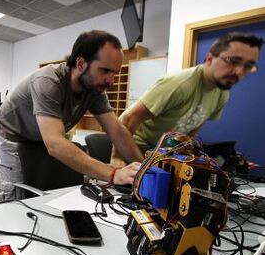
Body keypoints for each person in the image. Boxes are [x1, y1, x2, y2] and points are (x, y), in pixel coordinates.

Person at [0, 30, 143, 201]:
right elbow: (55, 144)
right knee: (16, 194)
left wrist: (146, 169)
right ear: (80, 64)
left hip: (40, 136)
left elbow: (116, 131)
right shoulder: (48, 82)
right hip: (13, 135)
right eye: (105, 71)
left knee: (46, 184)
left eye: (115, 73)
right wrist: (113, 174)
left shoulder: (94, 89)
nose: (111, 81)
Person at [112, 32, 263, 166]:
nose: (239, 71)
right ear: (210, 58)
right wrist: (117, 158)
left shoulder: (222, 93)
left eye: (248, 66)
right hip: (136, 145)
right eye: (233, 61)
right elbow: (127, 119)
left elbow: (196, 123)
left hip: (164, 151)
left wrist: (182, 151)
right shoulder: (179, 84)